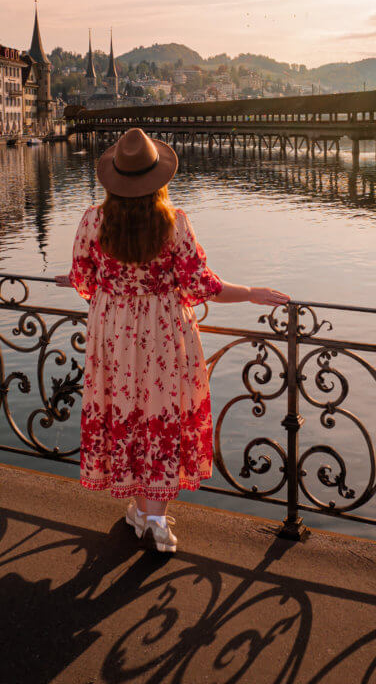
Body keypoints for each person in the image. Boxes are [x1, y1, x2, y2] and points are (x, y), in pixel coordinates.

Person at [56, 127, 290, 553]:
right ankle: (156, 520)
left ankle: (139, 508)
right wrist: (252, 292)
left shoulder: (93, 220)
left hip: (112, 331)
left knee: (124, 411)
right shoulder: (174, 223)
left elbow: (83, 279)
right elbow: (202, 285)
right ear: (158, 179)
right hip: (162, 332)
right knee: (161, 415)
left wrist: (105, 289)